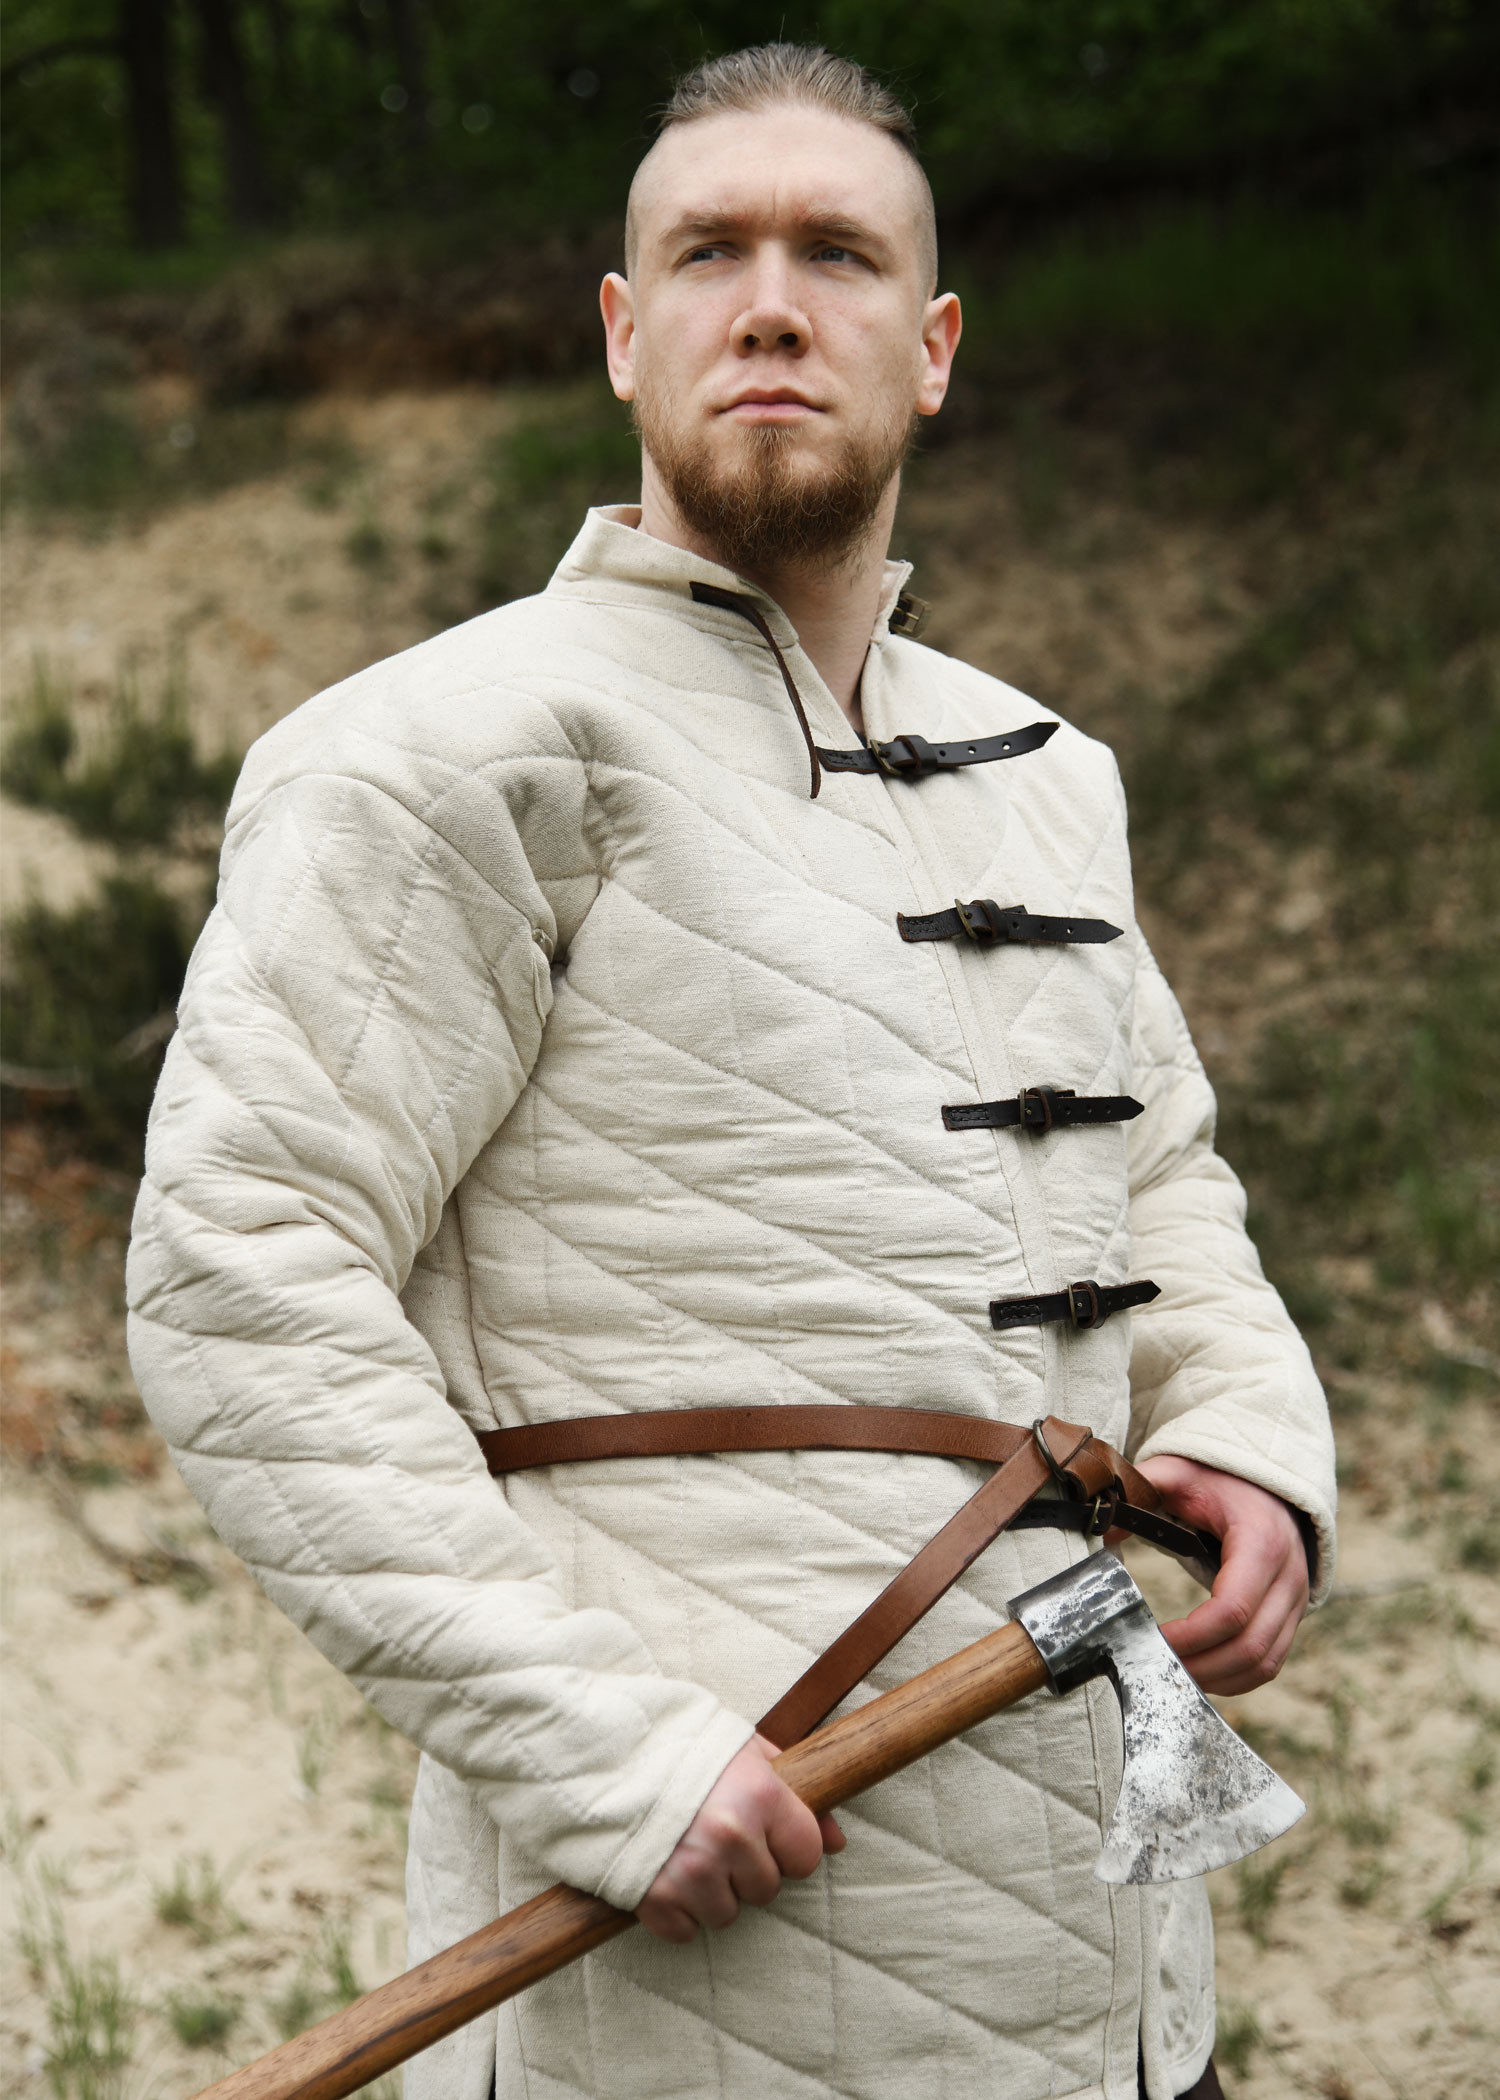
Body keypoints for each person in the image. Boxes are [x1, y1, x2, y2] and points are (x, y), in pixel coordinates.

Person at [126, 43, 1336, 2100]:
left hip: (1107, 1966)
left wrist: (1247, 1434)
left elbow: (1163, 1185)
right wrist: (598, 1750)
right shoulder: (439, 754)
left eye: (838, 255)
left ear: (932, 350)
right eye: (710, 253)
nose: (771, 303)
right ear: (625, 333)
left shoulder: (1047, 778)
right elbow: (243, 1275)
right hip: (700, 1934)